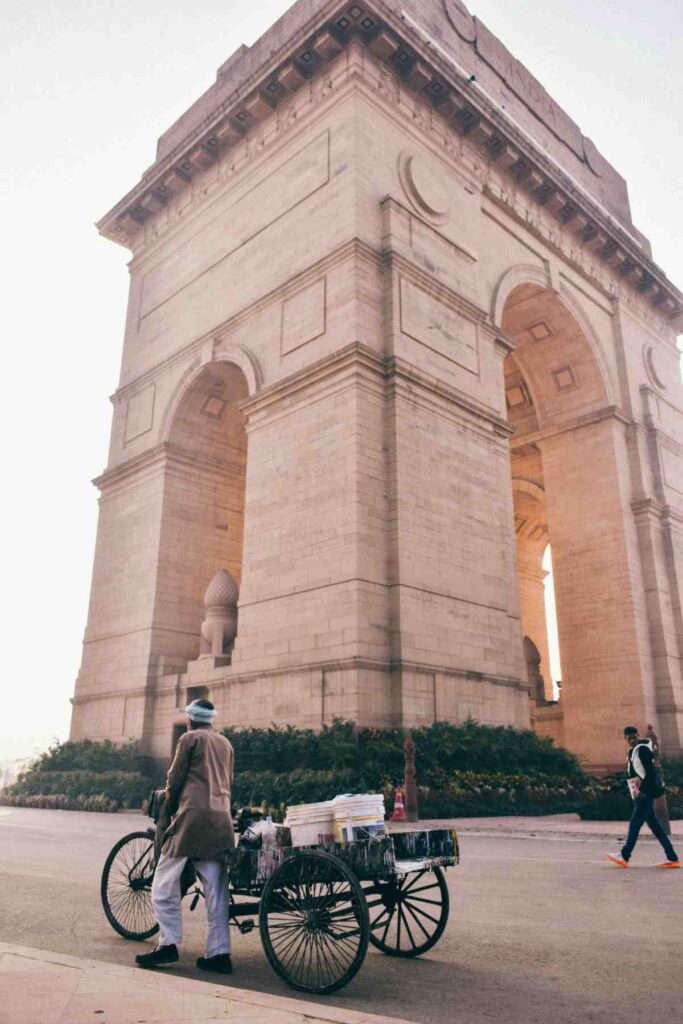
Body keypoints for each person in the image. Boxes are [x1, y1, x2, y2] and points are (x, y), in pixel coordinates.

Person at [136, 699, 235, 972]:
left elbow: (175, 779)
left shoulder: (189, 739)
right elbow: (228, 781)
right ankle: (219, 954)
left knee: (163, 884)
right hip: (221, 821)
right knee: (216, 891)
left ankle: (167, 945)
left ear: (190, 720)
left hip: (192, 819)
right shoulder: (225, 743)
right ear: (211, 720)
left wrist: (168, 808)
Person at [606, 726, 680, 869]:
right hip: (643, 793)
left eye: (634, 737)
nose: (632, 740)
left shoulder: (642, 750)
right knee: (656, 827)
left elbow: (650, 773)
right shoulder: (634, 751)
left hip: (645, 794)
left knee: (634, 825)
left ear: (638, 735)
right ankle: (672, 858)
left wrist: (641, 790)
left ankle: (624, 855)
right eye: (630, 738)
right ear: (625, 738)